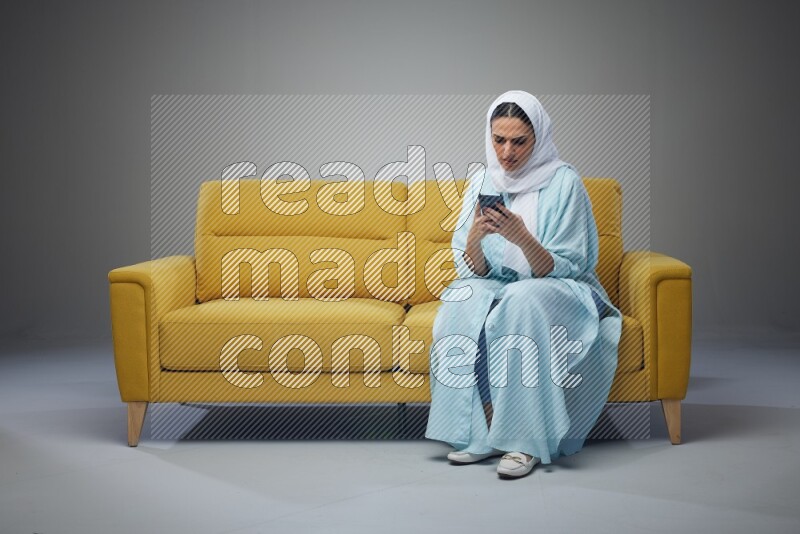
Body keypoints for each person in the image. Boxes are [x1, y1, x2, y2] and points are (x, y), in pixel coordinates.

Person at [424, 90, 623, 479]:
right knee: (463, 301)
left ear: (539, 138)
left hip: (560, 287)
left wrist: (521, 238)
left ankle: (524, 441)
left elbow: (569, 264)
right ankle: (475, 435)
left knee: (521, 299)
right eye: (499, 140)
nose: (507, 152)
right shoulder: (483, 180)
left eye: (519, 141)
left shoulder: (565, 182)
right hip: (498, 283)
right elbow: (475, 271)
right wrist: (474, 239)